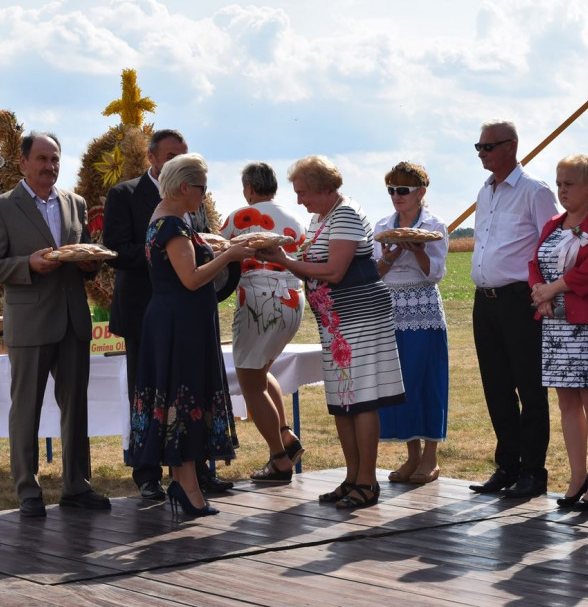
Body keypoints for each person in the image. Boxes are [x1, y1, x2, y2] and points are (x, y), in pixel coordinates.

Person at [257, 155, 405, 509]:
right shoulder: (321, 217)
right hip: (335, 322)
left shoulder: (346, 213)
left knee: (362, 399)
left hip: (361, 316)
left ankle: (367, 481)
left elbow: (335, 270)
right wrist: (282, 256)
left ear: (325, 189)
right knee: (342, 401)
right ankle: (352, 477)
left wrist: (284, 260)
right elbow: (314, 262)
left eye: (303, 192)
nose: (299, 200)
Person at [0, 132, 111, 518]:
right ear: (23, 163)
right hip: (30, 323)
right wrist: (28, 265)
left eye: (55, 159)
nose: (50, 166)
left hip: (73, 321)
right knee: (26, 410)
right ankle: (28, 491)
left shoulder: (75, 203)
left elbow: (82, 255)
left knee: (76, 408)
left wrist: (91, 263)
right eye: (42, 159)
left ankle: (76, 487)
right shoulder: (0, 208)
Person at [102, 129, 239, 500]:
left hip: (188, 311)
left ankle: (195, 471)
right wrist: (167, 258)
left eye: (182, 153)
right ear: (152, 157)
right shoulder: (128, 195)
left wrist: (201, 250)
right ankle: (148, 473)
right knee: (154, 393)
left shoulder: (187, 205)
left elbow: (199, 241)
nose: (177, 160)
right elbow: (117, 249)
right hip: (149, 307)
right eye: (170, 155)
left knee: (190, 391)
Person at [128, 154, 251, 517]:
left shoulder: (169, 219)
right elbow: (192, 278)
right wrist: (229, 256)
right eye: (202, 188)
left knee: (182, 400)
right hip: (178, 326)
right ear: (185, 187)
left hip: (180, 322)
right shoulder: (170, 225)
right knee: (183, 400)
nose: (204, 195)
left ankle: (186, 484)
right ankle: (188, 488)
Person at [528, 154, 588, 511]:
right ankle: (577, 476)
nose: (562, 190)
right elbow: (534, 262)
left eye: (569, 184)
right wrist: (539, 294)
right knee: (566, 403)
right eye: (559, 183)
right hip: (556, 324)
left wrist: (553, 289)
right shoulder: (553, 224)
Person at [468, 120, 559, 499]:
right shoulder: (485, 191)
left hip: (520, 300)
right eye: (478, 147)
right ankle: (507, 465)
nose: (481, 153)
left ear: (511, 147)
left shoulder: (535, 191)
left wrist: (544, 294)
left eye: (487, 147)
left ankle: (533, 471)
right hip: (485, 301)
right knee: (497, 388)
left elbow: (552, 245)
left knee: (530, 387)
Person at [219, 162, 307, 483]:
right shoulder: (295, 219)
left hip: (258, 299)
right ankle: (284, 435)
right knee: (261, 372)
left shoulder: (238, 217)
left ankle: (279, 458)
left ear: (249, 188)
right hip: (293, 299)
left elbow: (215, 250)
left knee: (250, 384)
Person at [373, 162, 449, 484]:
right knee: (400, 385)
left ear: (420, 192)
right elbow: (374, 274)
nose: (396, 196)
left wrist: (418, 251)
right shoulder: (382, 226)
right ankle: (412, 455)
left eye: (402, 190)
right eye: (391, 190)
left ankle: (431, 456)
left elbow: (436, 274)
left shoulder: (434, 225)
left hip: (423, 309)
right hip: (390, 309)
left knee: (426, 380)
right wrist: (389, 257)